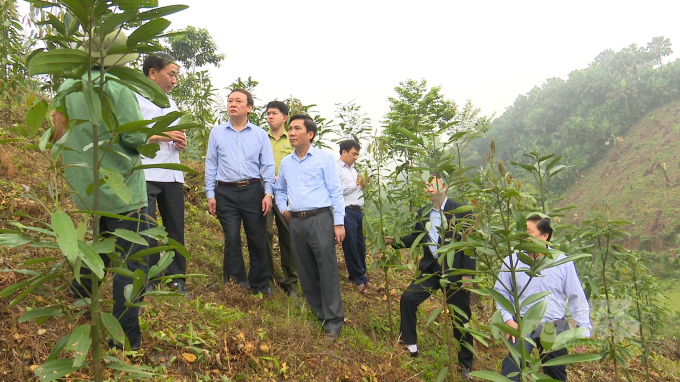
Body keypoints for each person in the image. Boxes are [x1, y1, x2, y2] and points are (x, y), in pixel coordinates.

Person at [59, 32, 150, 350]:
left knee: (98, 242)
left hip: (85, 185)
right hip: (121, 190)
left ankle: (80, 290)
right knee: (132, 260)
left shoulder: (69, 85)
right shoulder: (117, 87)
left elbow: (60, 126)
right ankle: (125, 337)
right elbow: (135, 137)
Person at [387, 175, 475, 380]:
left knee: (461, 318)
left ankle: (466, 364)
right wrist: (393, 241)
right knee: (409, 298)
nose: (427, 188)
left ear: (444, 186)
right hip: (431, 269)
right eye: (426, 185)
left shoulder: (461, 210)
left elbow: (469, 244)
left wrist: (467, 274)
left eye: (431, 184)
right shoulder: (423, 212)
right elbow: (416, 238)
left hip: (454, 271)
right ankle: (410, 345)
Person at [274, 114, 346, 340]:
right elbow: (280, 190)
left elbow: (336, 191)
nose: (292, 133)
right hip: (295, 221)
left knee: (327, 270)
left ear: (310, 134)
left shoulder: (324, 159)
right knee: (305, 271)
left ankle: (334, 321)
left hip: (320, 219)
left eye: (297, 129)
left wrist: (338, 223)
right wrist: (284, 210)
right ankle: (320, 316)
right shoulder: (286, 163)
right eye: (291, 129)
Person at [495, 215, 591, 382]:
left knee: (555, 375)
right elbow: (501, 292)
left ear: (545, 235)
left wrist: (583, 330)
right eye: (522, 233)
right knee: (512, 370)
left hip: (553, 326)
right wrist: (508, 319)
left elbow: (577, 298)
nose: (523, 237)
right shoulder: (512, 261)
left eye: (528, 233)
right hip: (522, 324)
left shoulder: (562, 263)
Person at [204, 89, 275, 296]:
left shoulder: (260, 134)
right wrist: (210, 194)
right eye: (230, 100)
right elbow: (211, 164)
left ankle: (260, 284)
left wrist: (268, 193)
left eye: (238, 101)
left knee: (257, 237)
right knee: (232, 237)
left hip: (253, 190)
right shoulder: (216, 133)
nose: (232, 104)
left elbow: (268, 165)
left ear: (249, 108)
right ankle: (236, 283)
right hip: (225, 192)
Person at [137, 53, 190, 297]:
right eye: (171, 74)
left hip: (173, 175)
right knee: (147, 227)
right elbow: (131, 135)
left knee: (175, 228)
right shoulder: (135, 100)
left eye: (176, 75)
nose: (174, 80)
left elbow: (174, 135)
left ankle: (177, 278)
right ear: (152, 73)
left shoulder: (172, 103)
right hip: (146, 172)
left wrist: (179, 141)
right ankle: (150, 277)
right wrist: (165, 135)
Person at [264, 101, 299, 297]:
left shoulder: (293, 138)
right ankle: (267, 279)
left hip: (288, 195)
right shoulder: (260, 138)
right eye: (268, 113)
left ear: (285, 117)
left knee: (288, 236)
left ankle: (291, 282)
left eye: (274, 113)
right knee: (265, 234)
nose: (270, 117)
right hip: (265, 193)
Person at [336, 139, 371, 293]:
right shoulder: (336, 169)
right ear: (344, 152)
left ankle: (362, 275)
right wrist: (357, 183)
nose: (356, 157)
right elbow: (338, 191)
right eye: (354, 154)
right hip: (346, 210)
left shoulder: (353, 169)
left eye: (357, 154)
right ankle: (355, 278)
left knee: (360, 244)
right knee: (350, 245)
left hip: (358, 211)